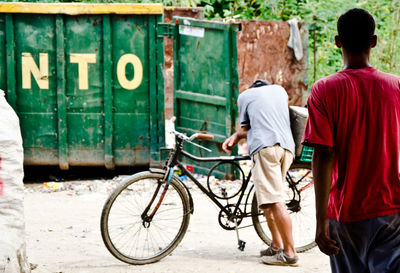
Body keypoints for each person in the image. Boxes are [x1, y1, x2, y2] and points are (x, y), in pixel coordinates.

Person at [303, 8, 400, 272]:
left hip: (343, 215)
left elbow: (323, 154)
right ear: (374, 41)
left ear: (337, 41)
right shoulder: (396, 86)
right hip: (390, 211)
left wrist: (321, 220)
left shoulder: (324, 89)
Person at [222, 79, 298, 266]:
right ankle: (276, 245)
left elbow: (247, 128)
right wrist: (236, 136)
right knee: (267, 201)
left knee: (275, 200)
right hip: (287, 149)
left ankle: (289, 253)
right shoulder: (279, 91)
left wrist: (236, 135)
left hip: (265, 148)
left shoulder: (245, 96)